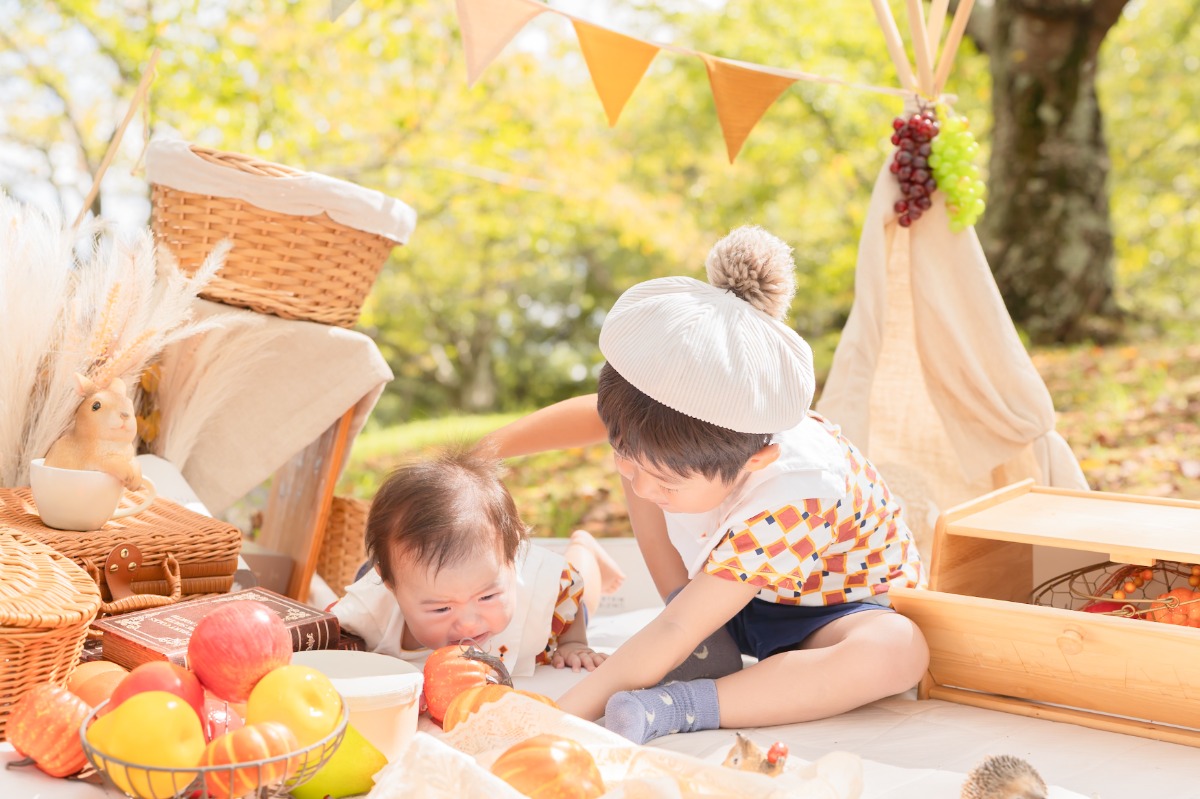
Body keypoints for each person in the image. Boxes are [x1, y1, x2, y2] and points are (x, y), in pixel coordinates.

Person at [483, 225, 928, 743]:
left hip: (825, 613)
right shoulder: (673, 430)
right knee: (645, 472)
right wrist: (479, 453)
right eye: (622, 455)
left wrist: (552, 717)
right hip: (714, 596)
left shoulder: (799, 491)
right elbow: (592, 415)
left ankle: (681, 704)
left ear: (757, 461)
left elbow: (674, 629)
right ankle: (703, 636)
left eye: (667, 482)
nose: (641, 488)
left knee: (898, 651)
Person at [330, 446, 625, 676]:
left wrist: (574, 643)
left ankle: (584, 547)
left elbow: (568, 585)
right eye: (441, 608)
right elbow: (328, 629)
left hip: (552, 606)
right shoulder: (370, 612)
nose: (469, 623)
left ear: (512, 561)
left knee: (582, 597)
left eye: (487, 597)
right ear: (390, 585)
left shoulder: (537, 593)